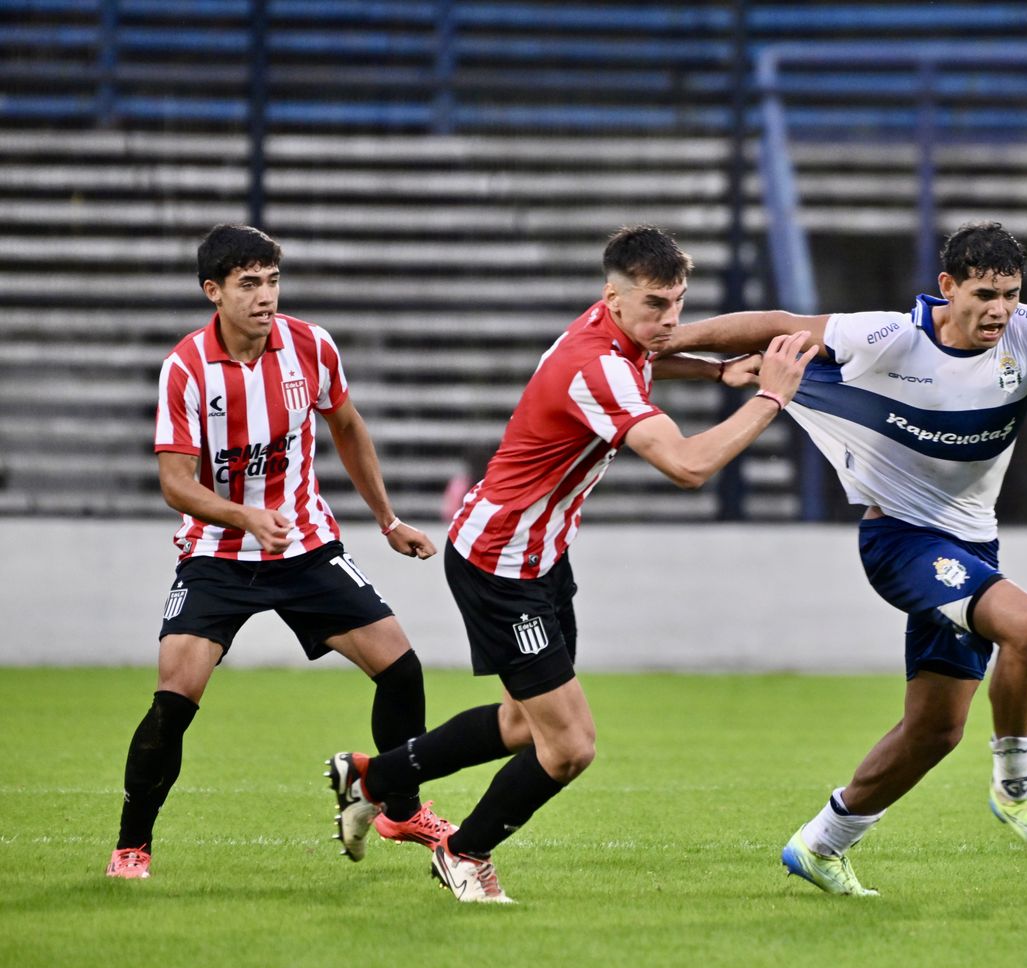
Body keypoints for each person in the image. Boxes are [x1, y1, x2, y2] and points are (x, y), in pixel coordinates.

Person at [664, 221, 1027, 895]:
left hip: (972, 543)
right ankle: (1017, 790)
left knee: (935, 730)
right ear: (947, 287)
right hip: (901, 541)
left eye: (1010, 293)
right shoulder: (889, 337)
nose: (998, 309)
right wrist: (670, 339)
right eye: (983, 293)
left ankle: (822, 844)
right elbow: (779, 321)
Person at [324, 224, 815, 904]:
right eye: (654, 305)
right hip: (502, 562)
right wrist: (771, 396)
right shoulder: (598, 365)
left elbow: (646, 359)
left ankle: (369, 778)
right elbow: (687, 465)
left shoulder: (614, 335)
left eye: (677, 302)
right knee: (570, 746)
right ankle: (464, 851)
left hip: (536, 557)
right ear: (611, 297)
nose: (669, 320)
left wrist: (714, 370)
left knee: (525, 725)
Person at [106, 224, 454, 880]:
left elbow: (347, 425)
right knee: (173, 701)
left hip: (304, 546)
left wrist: (388, 518)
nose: (265, 296)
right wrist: (243, 516)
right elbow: (175, 482)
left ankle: (400, 809)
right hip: (216, 555)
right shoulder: (186, 368)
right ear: (213, 291)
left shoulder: (311, 346)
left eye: (271, 280)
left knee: (402, 668)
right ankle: (133, 842)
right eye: (248, 284)